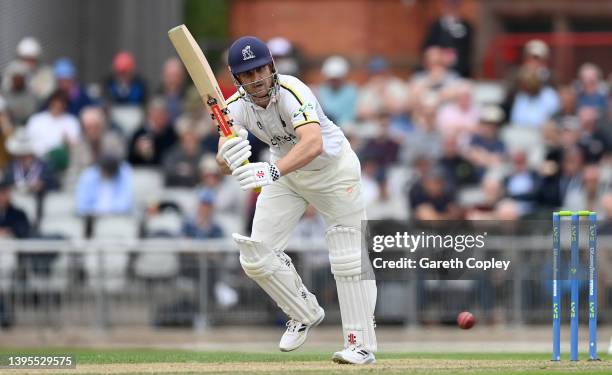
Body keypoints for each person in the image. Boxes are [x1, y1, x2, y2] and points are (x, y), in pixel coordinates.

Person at [216, 36, 377, 364]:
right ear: (237, 78)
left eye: (260, 70)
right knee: (255, 256)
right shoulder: (235, 107)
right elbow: (223, 155)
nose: (256, 80)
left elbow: (313, 142)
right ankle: (303, 311)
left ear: (271, 66)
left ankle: (360, 345)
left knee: (347, 258)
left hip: (333, 172)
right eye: (247, 74)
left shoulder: (293, 91)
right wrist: (227, 155)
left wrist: (270, 172)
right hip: (289, 177)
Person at [422, 0, 473, 77]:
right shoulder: (435, 26)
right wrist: (438, 57)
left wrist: (449, 57)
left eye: (454, 4)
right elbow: (427, 47)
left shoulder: (465, 26)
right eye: (448, 3)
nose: (451, 7)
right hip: (435, 70)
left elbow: (466, 50)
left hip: (458, 71)